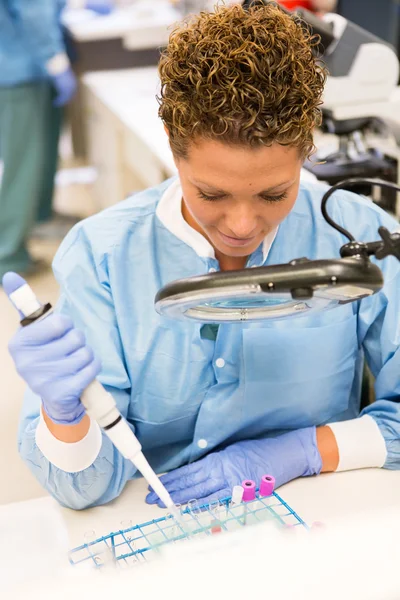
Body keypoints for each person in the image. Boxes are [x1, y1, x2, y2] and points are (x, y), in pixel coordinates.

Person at [9, 3, 400, 510]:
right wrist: (65, 417)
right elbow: (85, 488)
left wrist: (303, 451)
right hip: (157, 520)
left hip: (317, 515)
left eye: (273, 195)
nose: (241, 226)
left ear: (306, 150)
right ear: (174, 148)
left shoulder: (358, 233)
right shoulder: (102, 256)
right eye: (212, 195)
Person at [0, 0, 114, 279]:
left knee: (40, 155)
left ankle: (39, 217)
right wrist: (56, 61)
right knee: (23, 163)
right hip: (18, 69)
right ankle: (7, 255)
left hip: (26, 65)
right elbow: (33, 11)